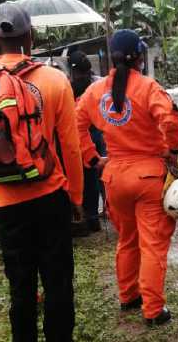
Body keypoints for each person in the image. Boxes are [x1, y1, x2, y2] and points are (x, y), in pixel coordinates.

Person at [0, 2, 84, 342]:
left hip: (6, 199)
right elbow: (70, 147)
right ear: (30, 35)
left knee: (21, 285)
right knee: (57, 281)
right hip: (49, 196)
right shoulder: (54, 79)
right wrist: (75, 197)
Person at [76, 29, 178, 327]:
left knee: (127, 239)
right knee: (152, 243)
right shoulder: (148, 88)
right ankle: (152, 309)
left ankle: (128, 295)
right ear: (139, 57)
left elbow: (76, 123)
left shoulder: (96, 92)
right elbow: (171, 119)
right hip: (148, 177)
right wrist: (173, 151)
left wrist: (93, 158)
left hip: (114, 178)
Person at [68, 50, 107, 235]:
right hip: (98, 132)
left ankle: (86, 217)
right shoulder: (99, 83)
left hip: (80, 135)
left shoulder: (68, 87)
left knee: (85, 175)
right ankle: (101, 213)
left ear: (72, 69)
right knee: (101, 173)